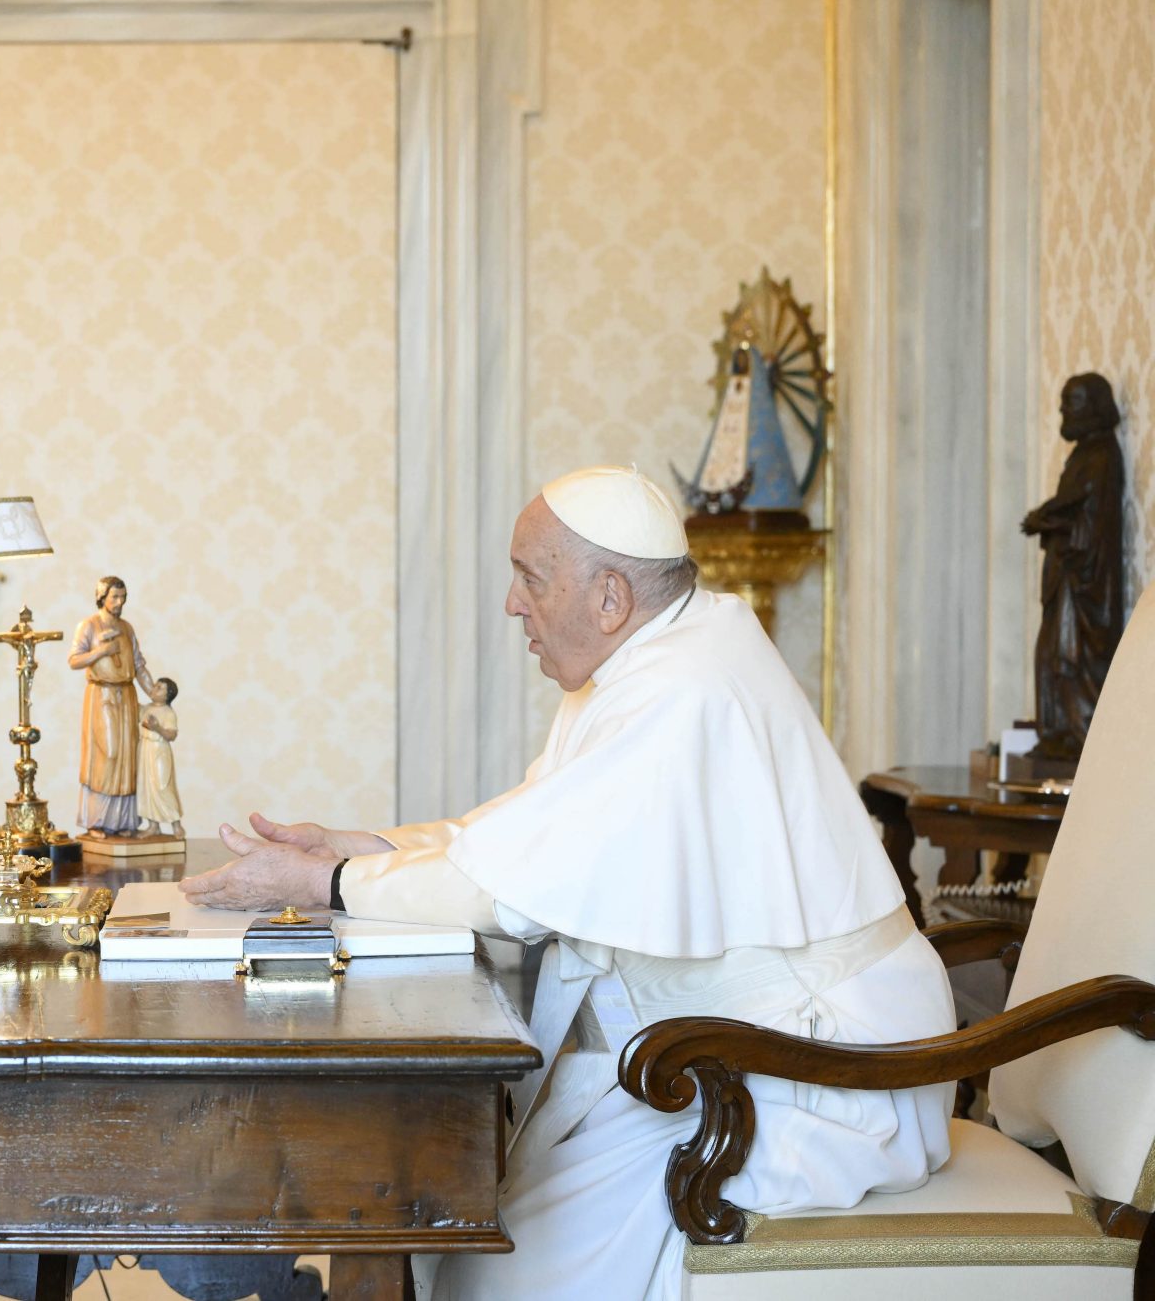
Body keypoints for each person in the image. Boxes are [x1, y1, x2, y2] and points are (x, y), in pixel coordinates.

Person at [184, 465, 956, 1301]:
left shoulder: (681, 688)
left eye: (530, 579)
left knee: (504, 1265)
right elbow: (520, 836)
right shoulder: (653, 656)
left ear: (611, 598)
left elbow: (508, 894)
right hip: (717, 1047)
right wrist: (357, 846)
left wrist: (327, 880)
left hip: (814, 1074)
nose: (514, 604)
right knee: (453, 1214)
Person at [1022, 372, 1125, 759]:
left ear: (1095, 407)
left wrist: (1046, 523)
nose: (1063, 409)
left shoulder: (1102, 456)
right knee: (1051, 654)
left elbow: (1093, 523)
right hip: (1065, 580)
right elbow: (1070, 505)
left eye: (1073, 402)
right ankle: (1059, 732)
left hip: (1084, 582)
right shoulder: (1083, 455)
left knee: (1071, 656)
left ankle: (1078, 732)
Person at [67, 575, 160, 835]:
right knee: (107, 753)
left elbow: (139, 664)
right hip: (102, 695)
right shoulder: (89, 625)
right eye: (114, 597)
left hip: (127, 695)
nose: (119, 602)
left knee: (127, 754)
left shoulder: (127, 628)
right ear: (102, 597)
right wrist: (101, 651)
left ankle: (122, 823)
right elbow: (74, 659)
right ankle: (96, 821)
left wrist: (152, 690)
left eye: (123, 597)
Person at [136, 676, 182, 837]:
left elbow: (171, 734)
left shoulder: (168, 713)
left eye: (159, 687)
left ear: (168, 694)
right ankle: (153, 825)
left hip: (160, 751)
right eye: (155, 686)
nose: (154, 689)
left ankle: (176, 825)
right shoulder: (146, 708)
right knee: (146, 787)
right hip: (144, 749)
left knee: (163, 787)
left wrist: (157, 728)